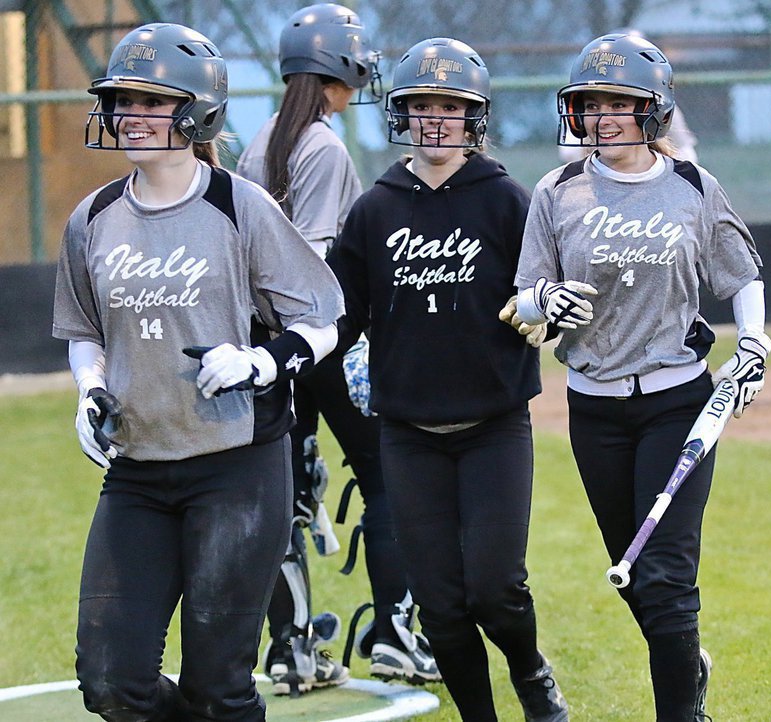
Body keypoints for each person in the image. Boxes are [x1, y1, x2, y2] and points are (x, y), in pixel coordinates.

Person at [53, 22, 344, 721]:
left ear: (198, 111)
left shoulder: (240, 206)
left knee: (220, 689)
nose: (132, 115)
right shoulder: (92, 218)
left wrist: (260, 361)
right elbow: (84, 332)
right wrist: (90, 391)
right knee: (110, 683)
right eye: (123, 99)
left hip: (238, 471)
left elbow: (323, 320)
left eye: (153, 101)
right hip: (137, 471)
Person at [512, 32, 770, 722]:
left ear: (653, 108)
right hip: (593, 408)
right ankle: (688, 663)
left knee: (664, 576)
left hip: (678, 400)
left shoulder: (692, 185)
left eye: (618, 103)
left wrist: (753, 340)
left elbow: (740, 271)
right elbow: (526, 295)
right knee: (630, 571)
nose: (602, 117)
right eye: (592, 104)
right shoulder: (556, 190)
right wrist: (544, 303)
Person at [327, 36, 569, 722]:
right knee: (439, 604)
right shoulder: (375, 208)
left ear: (474, 116)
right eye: (422, 106)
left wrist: (545, 314)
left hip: (494, 426)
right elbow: (339, 313)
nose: (436, 121)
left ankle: (532, 675)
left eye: (451, 107)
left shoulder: (507, 202)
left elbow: (544, 298)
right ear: (402, 113)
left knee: (496, 589)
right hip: (409, 433)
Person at [236, 3, 440, 696]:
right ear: (342, 65)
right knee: (388, 481)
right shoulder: (322, 145)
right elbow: (316, 258)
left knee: (287, 497)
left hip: (270, 347)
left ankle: (291, 649)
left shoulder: (261, 140)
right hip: (325, 341)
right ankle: (397, 636)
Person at [558, 29, 698, 164]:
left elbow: (687, 154)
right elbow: (568, 153)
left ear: (650, 108)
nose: (603, 121)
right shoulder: (562, 180)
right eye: (592, 106)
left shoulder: (691, 178)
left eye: (619, 105)